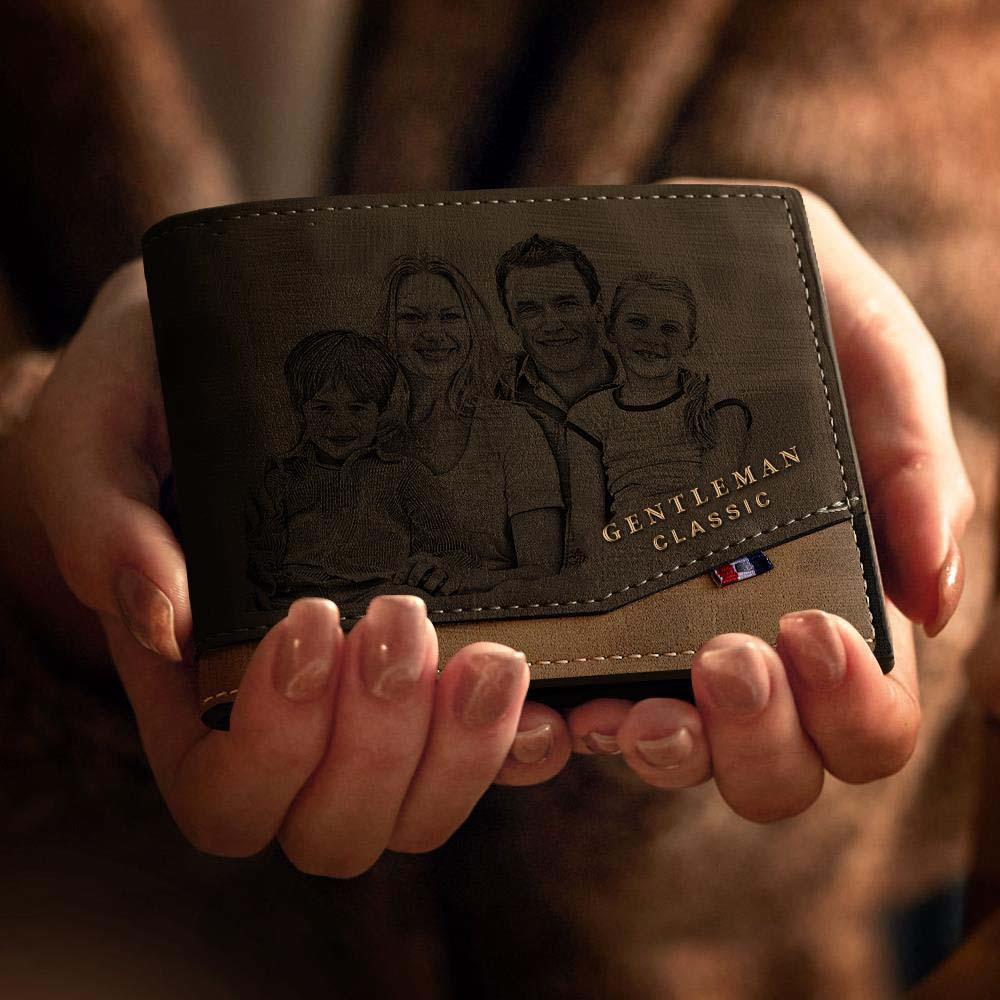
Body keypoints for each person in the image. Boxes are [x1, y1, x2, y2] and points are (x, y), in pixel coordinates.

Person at [245, 328, 476, 608]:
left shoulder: (405, 474)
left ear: (379, 412)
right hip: (300, 597)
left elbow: (453, 550)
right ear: (301, 411)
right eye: (322, 409)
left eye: (357, 408)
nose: (340, 424)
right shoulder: (283, 477)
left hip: (380, 593)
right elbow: (261, 554)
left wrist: (438, 567)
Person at [379, 253, 565, 587]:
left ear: (472, 328)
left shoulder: (511, 427)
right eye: (411, 317)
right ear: (387, 330)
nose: (432, 333)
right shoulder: (366, 435)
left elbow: (543, 571)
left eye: (450, 316)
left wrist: (463, 579)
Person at [568, 271, 752, 528]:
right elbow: (587, 524)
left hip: (700, 534)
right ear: (611, 328)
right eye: (638, 323)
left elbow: (714, 501)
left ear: (690, 342)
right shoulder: (588, 415)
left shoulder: (718, 403)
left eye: (669, 329)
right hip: (627, 543)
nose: (653, 339)